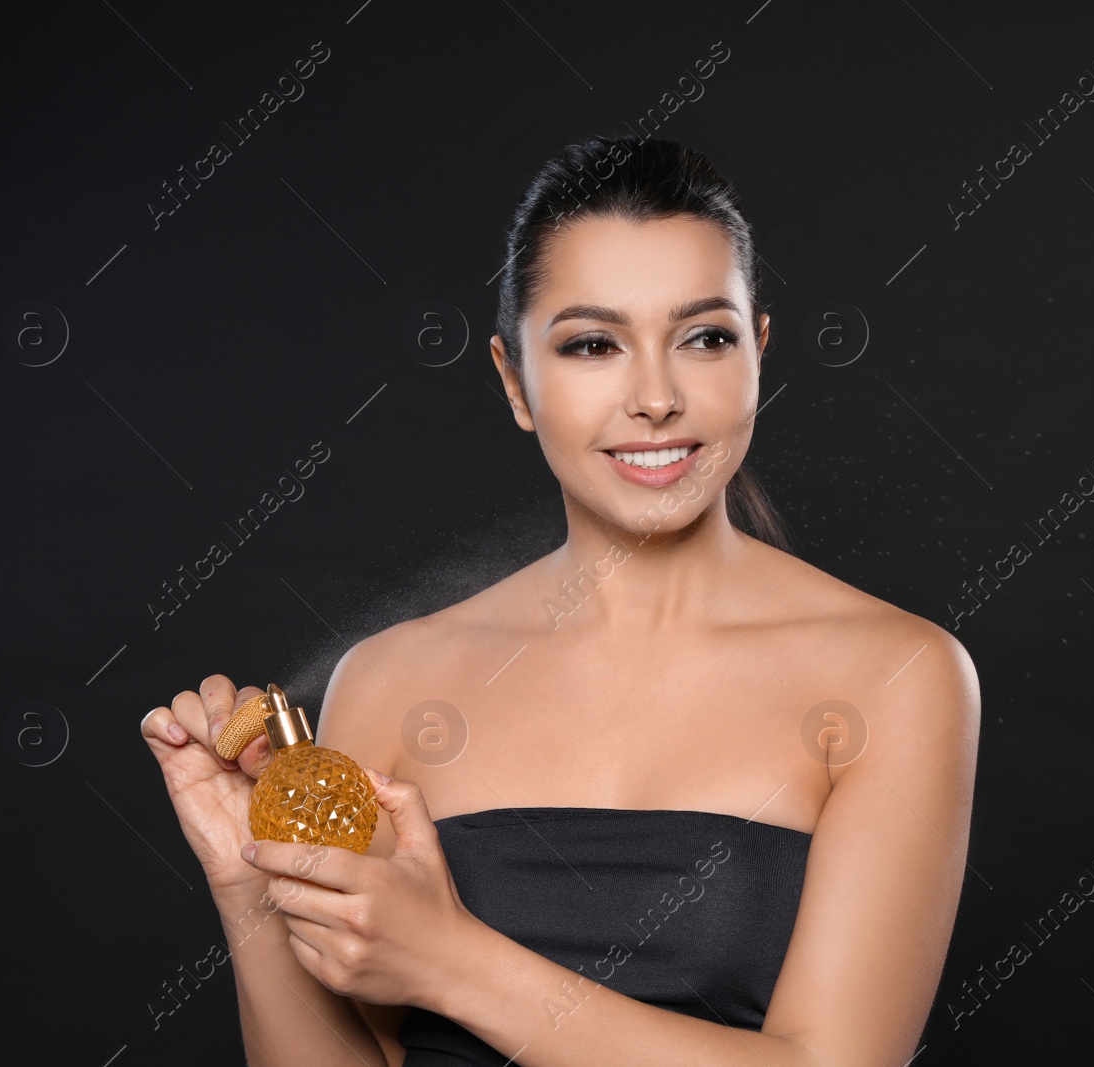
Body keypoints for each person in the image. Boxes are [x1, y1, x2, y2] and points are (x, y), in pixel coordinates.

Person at [141, 134, 981, 1066]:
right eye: (592, 344)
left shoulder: (895, 674)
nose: (656, 397)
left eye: (705, 336)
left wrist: (454, 961)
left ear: (759, 352)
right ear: (514, 382)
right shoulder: (387, 680)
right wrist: (250, 888)